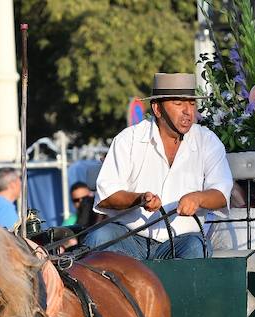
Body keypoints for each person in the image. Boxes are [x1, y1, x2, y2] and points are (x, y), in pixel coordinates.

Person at [85, 72, 233, 259]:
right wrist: (139, 199)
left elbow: (221, 194)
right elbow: (106, 196)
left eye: (192, 103)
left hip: (183, 241)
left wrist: (198, 198)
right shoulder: (128, 139)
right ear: (157, 109)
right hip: (131, 238)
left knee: (197, 247)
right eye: (179, 104)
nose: (188, 111)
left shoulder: (207, 141)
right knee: (98, 237)